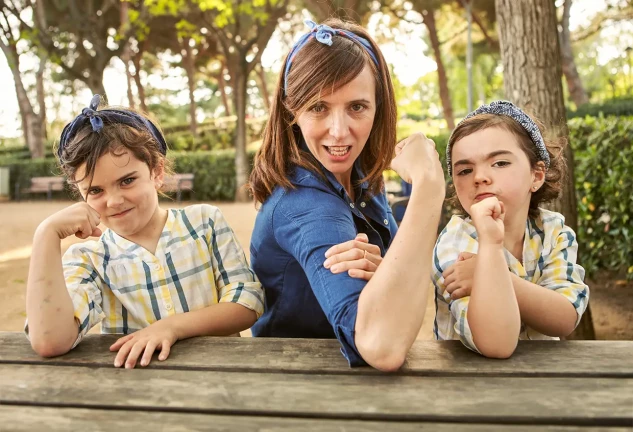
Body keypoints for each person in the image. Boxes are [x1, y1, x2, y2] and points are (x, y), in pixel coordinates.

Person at [248, 19, 445, 371]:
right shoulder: (306, 206)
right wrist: (429, 186)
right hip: (296, 390)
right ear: (292, 110)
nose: (339, 132)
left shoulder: (361, 179)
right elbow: (381, 347)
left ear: (378, 107)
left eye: (357, 107)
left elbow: (396, 287)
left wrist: (386, 274)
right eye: (318, 107)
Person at [25, 95, 264, 368]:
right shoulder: (88, 257)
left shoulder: (205, 222)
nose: (114, 201)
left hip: (225, 381)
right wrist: (46, 234)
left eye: (127, 180)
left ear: (157, 172)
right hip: (140, 396)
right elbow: (50, 341)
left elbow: (247, 305)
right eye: (95, 190)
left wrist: (171, 327)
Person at [432, 100, 589, 358]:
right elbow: (495, 344)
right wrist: (491, 246)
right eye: (465, 170)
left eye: (500, 163)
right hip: (468, 386)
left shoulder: (554, 231)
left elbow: (565, 318)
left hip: (544, 381)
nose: (479, 177)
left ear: (536, 176)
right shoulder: (455, 241)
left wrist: (495, 278)